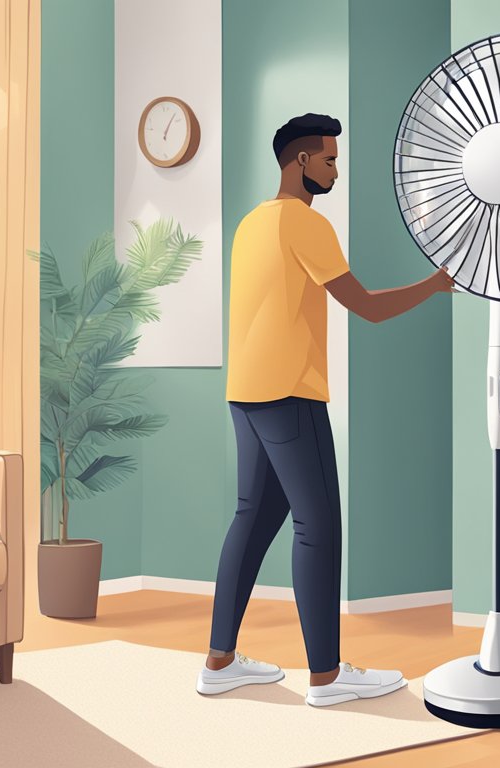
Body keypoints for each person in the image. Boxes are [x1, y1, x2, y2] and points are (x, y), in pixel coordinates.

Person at [196, 113, 455, 707]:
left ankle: (220, 660)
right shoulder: (304, 223)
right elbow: (363, 306)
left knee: (253, 521)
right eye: (330, 160)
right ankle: (326, 676)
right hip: (290, 392)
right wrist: (433, 285)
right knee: (319, 527)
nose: (337, 169)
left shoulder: (251, 224)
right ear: (300, 162)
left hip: (245, 391)